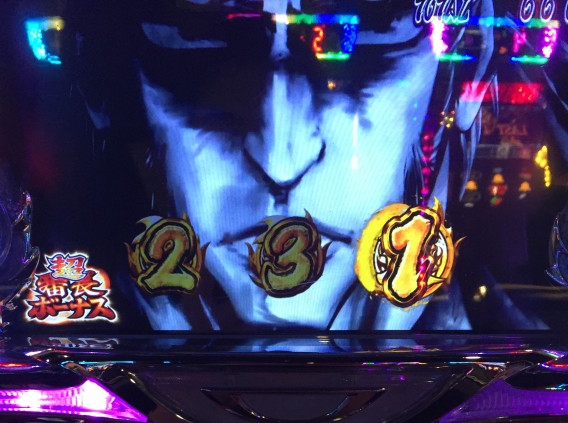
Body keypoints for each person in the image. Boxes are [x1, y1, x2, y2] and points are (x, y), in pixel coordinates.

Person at [35, 0, 567, 332]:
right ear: (106, 91)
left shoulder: (523, 350)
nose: (281, 158)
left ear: (462, 82)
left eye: (367, 41)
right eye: (198, 44)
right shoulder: (59, 335)